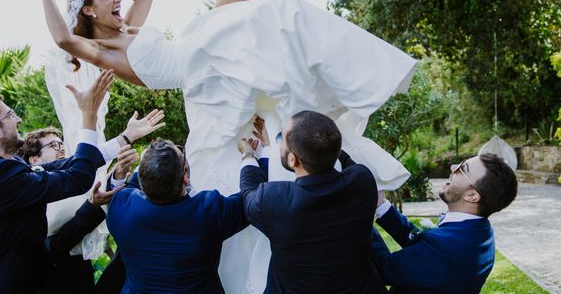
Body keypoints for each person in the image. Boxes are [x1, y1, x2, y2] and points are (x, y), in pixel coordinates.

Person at [34, 0, 417, 292]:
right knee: (277, 9)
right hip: (204, 77)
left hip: (204, 48)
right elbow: (65, 40)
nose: (117, 1)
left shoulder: (129, 25)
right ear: (88, 10)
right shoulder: (104, 50)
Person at [0, 70, 113, 294]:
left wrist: (124, 140)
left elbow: (63, 166)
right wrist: (89, 115)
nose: (18, 119)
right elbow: (78, 179)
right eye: (10, 115)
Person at [239, 112, 386, 294]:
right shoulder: (362, 181)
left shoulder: (273, 201)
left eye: (281, 140)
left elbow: (248, 193)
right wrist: (276, 145)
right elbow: (342, 157)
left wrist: (248, 155)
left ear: (293, 159)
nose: (280, 145)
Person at [106, 137, 252, 293]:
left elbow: (127, 188)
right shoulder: (209, 212)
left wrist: (150, 163)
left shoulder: (121, 208)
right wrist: (249, 157)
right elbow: (251, 201)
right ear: (185, 177)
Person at [371, 154, 518, 293]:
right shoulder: (480, 230)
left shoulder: (444, 247)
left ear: (472, 196)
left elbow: (382, 267)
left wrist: (361, 217)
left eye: (462, 169)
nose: (453, 167)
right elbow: (420, 248)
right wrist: (381, 205)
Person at [20, 130, 139, 294]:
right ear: (35, 160)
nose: (61, 148)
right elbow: (52, 246)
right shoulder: (28, 197)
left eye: (61, 143)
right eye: (53, 145)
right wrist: (91, 205)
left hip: (82, 278)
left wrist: (119, 171)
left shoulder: (72, 184)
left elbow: (99, 193)